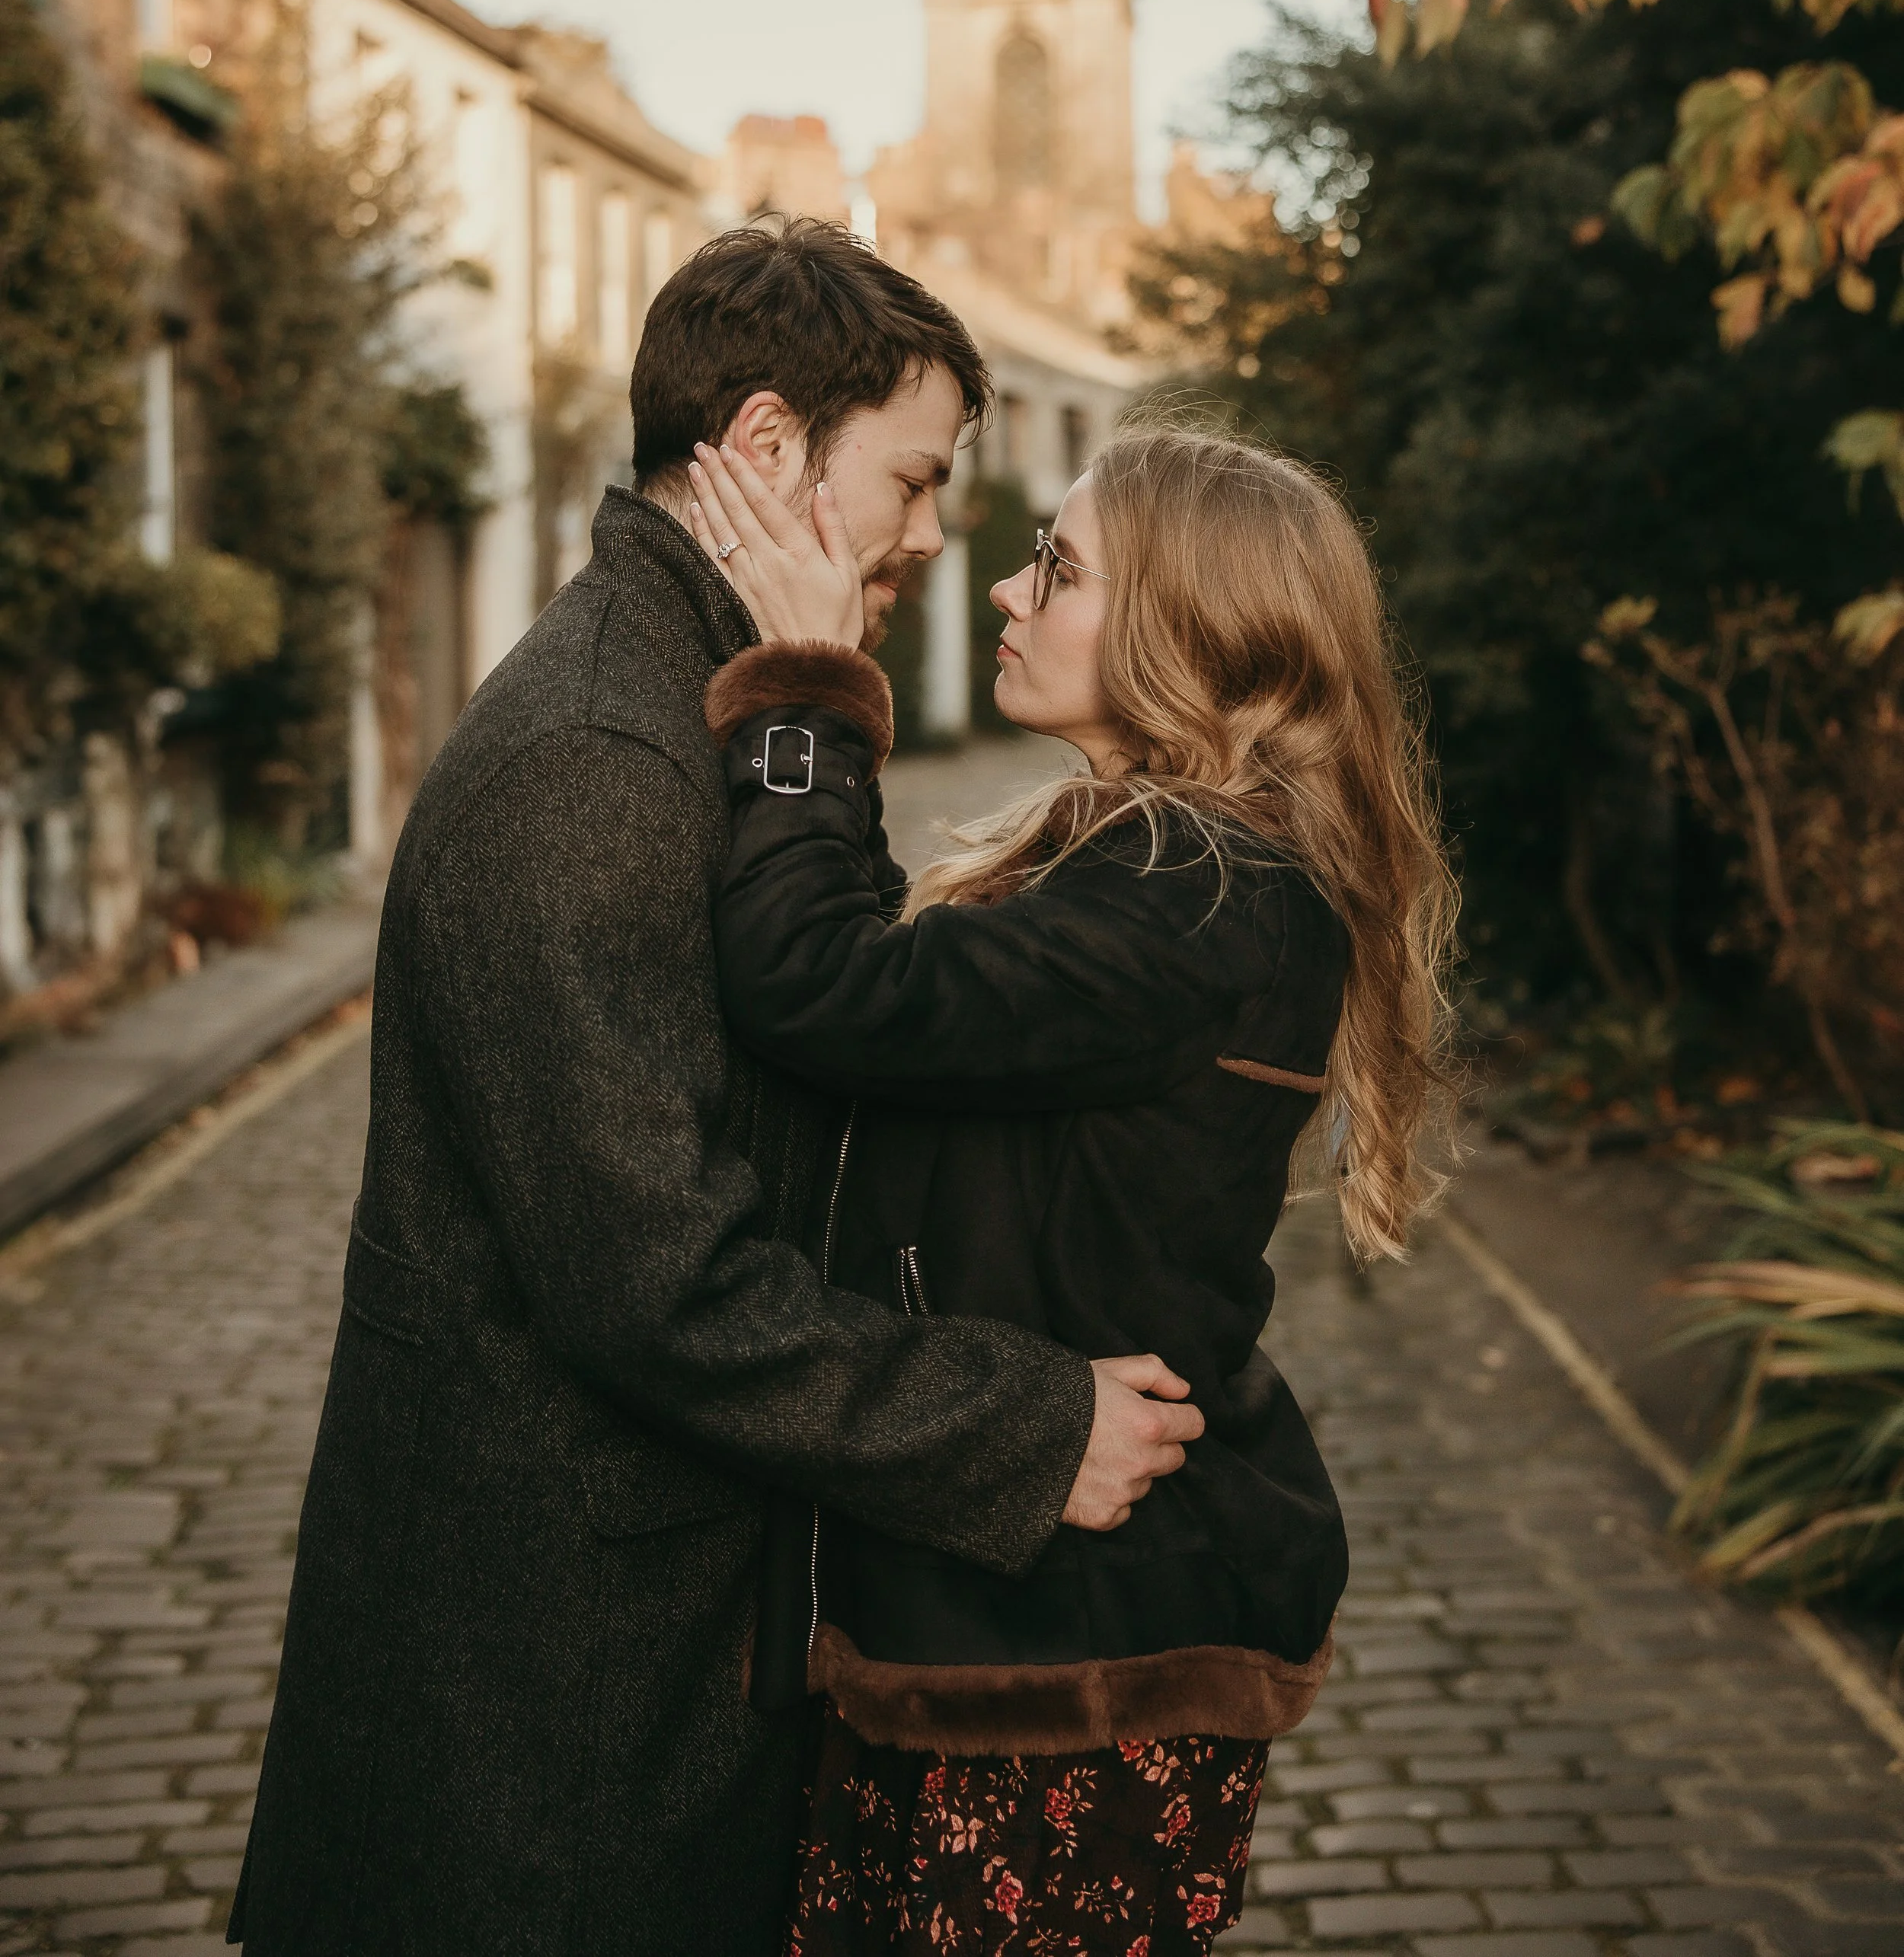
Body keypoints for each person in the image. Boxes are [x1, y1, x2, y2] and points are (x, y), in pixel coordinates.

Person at [229, 222, 1205, 1957]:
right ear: (765, 447)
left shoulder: (706, 698)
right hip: (555, 1702)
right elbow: (654, 1281)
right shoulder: (598, 759)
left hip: (653, 1635)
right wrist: (1020, 1421)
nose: (929, 533)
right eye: (907, 480)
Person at [686, 421, 1458, 1956]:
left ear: (1188, 626)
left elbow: (822, 986)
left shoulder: (1199, 894)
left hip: (1072, 1656)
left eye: (1058, 566)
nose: (1004, 594)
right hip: (999, 1609)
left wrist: (799, 694)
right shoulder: (1149, 870)